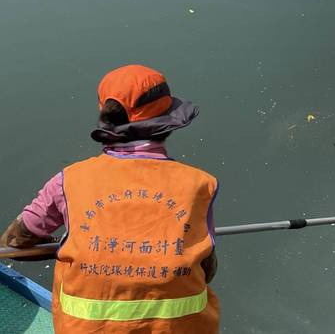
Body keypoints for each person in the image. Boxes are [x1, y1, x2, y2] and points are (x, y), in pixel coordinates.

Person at [0, 64, 220, 333]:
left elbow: (13, 245)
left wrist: (66, 245)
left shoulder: (68, 181)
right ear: (168, 124)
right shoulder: (201, 185)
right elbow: (207, 270)